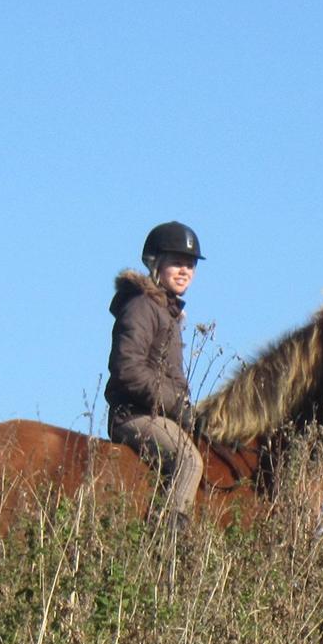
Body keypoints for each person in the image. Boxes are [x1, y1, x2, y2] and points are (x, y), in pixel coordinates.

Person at [105, 221, 206, 531]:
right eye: (176, 262)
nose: (184, 270)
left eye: (189, 264)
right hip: (134, 415)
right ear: (155, 264)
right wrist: (177, 405)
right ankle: (166, 543)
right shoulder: (142, 306)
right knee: (189, 462)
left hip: (160, 415)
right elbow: (128, 369)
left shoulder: (168, 313)